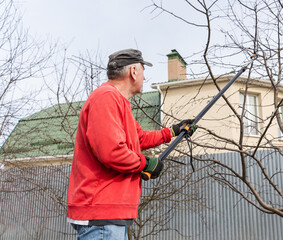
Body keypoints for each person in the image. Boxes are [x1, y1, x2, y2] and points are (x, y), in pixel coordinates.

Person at [67, 49, 195, 240]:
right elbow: (111, 152)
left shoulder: (119, 102)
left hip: (110, 217)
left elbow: (139, 138)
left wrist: (173, 132)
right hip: (102, 215)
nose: (144, 76)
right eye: (143, 70)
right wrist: (145, 163)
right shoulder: (105, 98)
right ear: (134, 71)